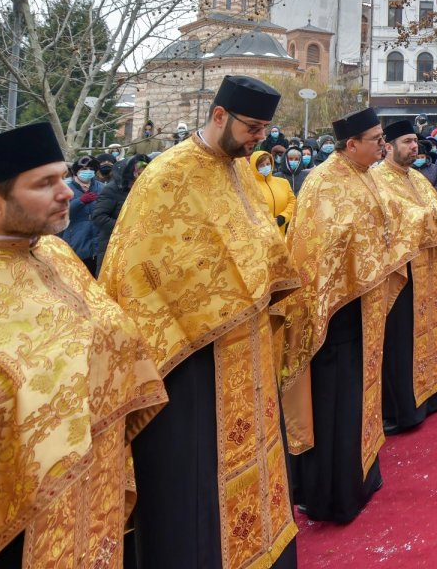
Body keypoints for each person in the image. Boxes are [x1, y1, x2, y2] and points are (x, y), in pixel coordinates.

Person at [0, 122, 165, 568]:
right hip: (20, 508)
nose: (66, 192)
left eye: (62, 177)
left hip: (95, 473)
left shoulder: (57, 253)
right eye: (45, 183)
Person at [100, 76, 302, 569]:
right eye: (252, 127)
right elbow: (138, 270)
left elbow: (261, 245)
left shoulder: (243, 173)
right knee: (196, 481)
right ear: (219, 116)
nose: (259, 137)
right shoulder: (166, 176)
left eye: (264, 128)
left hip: (246, 347)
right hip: (189, 357)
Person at [281, 108, 415, 523]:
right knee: (336, 401)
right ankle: (334, 493)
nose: (382, 145)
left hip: (361, 305)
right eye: (375, 139)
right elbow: (323, 250)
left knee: (358, 396)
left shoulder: (362, 175)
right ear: (350, 144)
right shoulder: (324, 183)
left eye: (382, 139)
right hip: (334, 316)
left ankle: (360, 474)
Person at [372, 119, 437, 433]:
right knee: (400, 341)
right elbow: (389, 220)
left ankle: (432, 393)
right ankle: (402, 409)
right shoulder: (378, 179)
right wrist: (423, 219)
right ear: (387, 146)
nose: (413, 146)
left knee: (430, 331)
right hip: (401, 274)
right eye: (406, 142)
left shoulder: (418, 179)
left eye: (415, 141)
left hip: (428, 269)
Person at [91, 152, 150, 271]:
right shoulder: (113, 189)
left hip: (137, 248)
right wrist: (125, 229)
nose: (141, 176)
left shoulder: (146, 190)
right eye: (138, 173)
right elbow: (98, 216)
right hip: (113, 246)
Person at [62, 155, 104, 275]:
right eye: (83, 169)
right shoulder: (66, 189)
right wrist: (80, 202)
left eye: (91, 169)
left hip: (98, 240)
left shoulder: (101, 188)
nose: (87, 171)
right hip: (75, 238)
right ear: (76, 171)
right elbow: (60, 213)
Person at [251, 148, 297, 233]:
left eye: (268, 164)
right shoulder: (250, 186)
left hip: (282, 232)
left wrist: (283, 217)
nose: (266, 167)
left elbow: (292, 202)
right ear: (254, 167)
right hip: (260, 232)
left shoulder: (283, 182)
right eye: (261, 165)